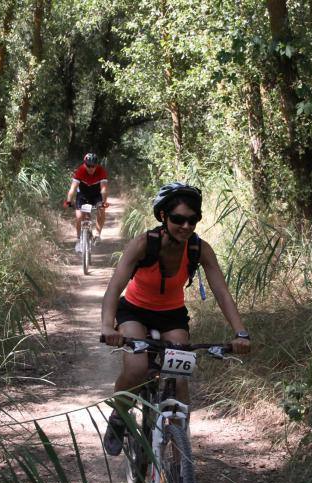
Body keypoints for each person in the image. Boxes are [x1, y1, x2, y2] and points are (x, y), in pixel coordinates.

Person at [100, 182, 251, 455]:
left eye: (193, 220)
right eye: (179, 219)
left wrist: (240, 332)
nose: (186, 226)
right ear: (163, 217)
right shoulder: (144, 244)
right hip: (134, 310)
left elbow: (222, 292)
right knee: (135, 369)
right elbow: (114, 287)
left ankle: (179, 447)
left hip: (172, 316)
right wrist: (106, 325)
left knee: (180, 378)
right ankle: (119, 415)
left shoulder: (199, 249)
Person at [64, 153, 109, 251]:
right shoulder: (80, 171)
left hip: (96, 195)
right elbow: (73, 189)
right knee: (80, 217)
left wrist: (104, 202)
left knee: (101, 209)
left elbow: (104, 189)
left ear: (96, 165)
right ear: (85, 164)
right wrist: (68, 201)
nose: (91, 168)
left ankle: (97, 235)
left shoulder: (101, 171)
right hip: (83, 196)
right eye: (88, 165)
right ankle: (78, 239)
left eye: (93, 166)